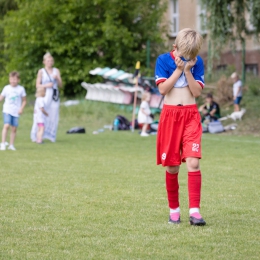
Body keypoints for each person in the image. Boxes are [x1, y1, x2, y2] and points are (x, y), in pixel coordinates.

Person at [155, 28, 206, 226]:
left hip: (191, 115)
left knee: (193, 162)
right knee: (172, 166)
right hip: (170, 116)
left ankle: (195, 212)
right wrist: (178, 70)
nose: (187, 59)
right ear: (175, 47)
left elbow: (197, 92)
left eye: (191, 57)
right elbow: (162, 89)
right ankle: (174, 211)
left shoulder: (196, 61)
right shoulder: (163, 60)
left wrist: (187, 70)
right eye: (184, 56)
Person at [30, 52, 62, 142]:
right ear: (44, 62)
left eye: (51, 61)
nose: (50, 62)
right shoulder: (41, 71)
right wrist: (46, 85)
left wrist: (57, 78)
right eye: (48, 61)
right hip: (43, 94)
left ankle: (51, 135)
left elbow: (60, 84)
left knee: (53, 114)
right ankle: (38, 135)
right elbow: (37, 85)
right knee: (40, 114)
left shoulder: (56, 71)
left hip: (54, 96)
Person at [0, 71, 26, 151]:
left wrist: (21, 108)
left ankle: (11, 145)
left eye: (15, 79)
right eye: (11, 79)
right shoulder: (6, 88)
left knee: (14, 128)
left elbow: (24, 100)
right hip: (7, 110)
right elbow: (1, 97)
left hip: (16, 111)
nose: (13, 81)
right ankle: (3, 143)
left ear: (18, 80)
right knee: (6, 125)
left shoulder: (21, 89)